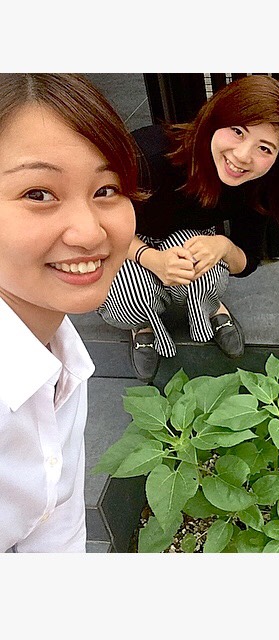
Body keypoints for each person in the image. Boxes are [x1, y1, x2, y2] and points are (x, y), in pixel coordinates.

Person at [0, 73, 138, 552]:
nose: (89, 232)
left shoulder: (61, 357)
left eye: (106, 190)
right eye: (38, 194)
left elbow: (56, 521)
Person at [98, 74, 279, 383]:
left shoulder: (257, 184)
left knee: (208, 267)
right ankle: (141, 325)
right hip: (124, 239)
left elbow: (247, 260)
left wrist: (223, 246)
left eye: (264, 148)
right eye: (237, 131)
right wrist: (150, 259)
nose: (242, 156)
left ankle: (212, 307)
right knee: (128, 295)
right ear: (214, 120)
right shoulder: (150, 154)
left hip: (185, 236)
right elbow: (98, 223)